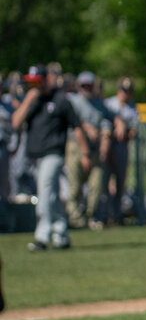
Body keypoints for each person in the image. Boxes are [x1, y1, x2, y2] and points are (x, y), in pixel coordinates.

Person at [12, 65, 91, 251]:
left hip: (53, 154)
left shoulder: (60, 100)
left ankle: (42, 236)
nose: (34, 85)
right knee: (51, 197)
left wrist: (86, 153)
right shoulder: (32, 101)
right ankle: (61, 234)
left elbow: (77, 127)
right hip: (35, 157)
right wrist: (28, 101)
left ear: (46, 79)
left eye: (36, 81)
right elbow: (16, 123)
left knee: (45, 192)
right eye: (31, 82)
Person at [65, 71, 113, 230]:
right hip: (76, 148)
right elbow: (74, 123)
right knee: (74, 187)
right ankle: (75, 219)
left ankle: (88, 216)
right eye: (83, 85)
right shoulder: (73, 101)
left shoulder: (99, 103)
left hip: (95, 150)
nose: (86, 88)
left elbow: (107, 122)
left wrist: (105, 138)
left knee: (96, 186)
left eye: (89, 85)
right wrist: (87, 127)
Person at [104, 76, 139, 225]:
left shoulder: (132, 107)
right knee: (104, 180)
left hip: (122, 146)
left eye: (129, 91)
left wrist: (126, 131)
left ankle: (117, 214)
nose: (126, 94)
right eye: (124, 90)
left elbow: (134, 129)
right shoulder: (109, 104)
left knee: (120, 181)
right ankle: (104, 214)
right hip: (107, 144)